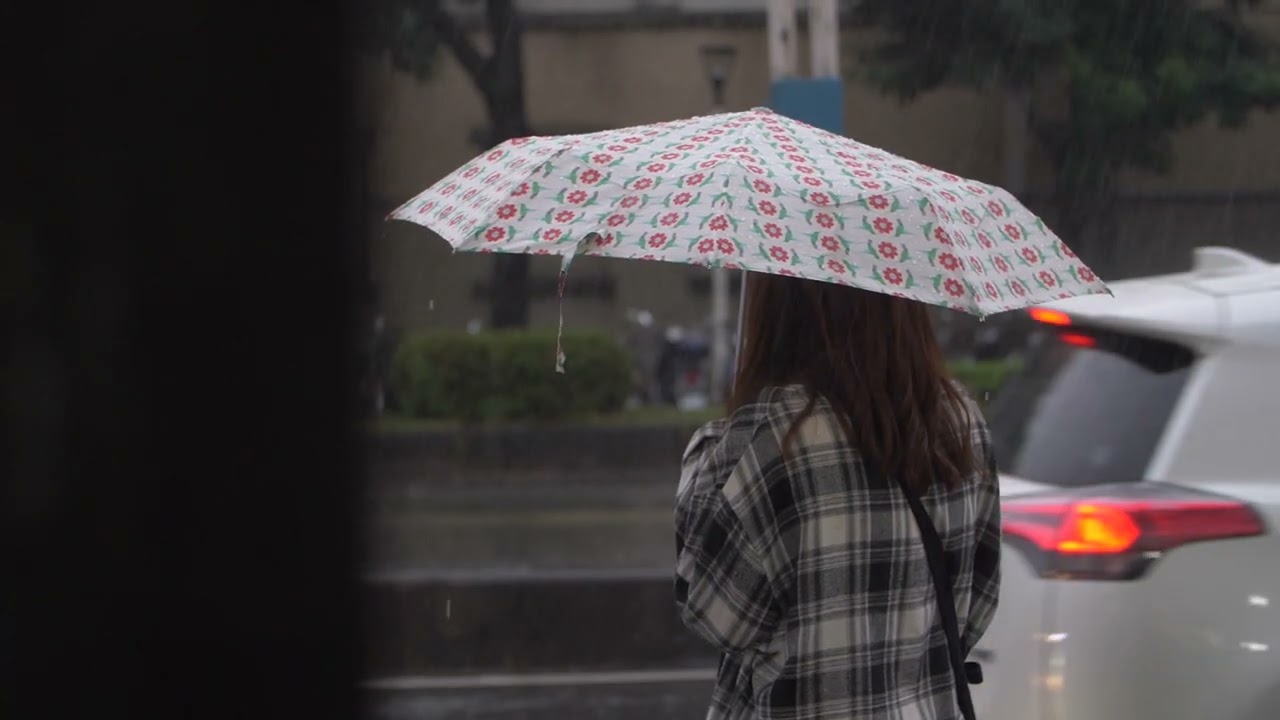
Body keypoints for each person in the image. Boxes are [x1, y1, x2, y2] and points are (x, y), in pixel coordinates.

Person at [675, 273, 1001, 719]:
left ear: (781, 304)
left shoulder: (773, 438)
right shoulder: (961, 423)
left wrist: (718, 447)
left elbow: (715, 612)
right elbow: (978, 602)